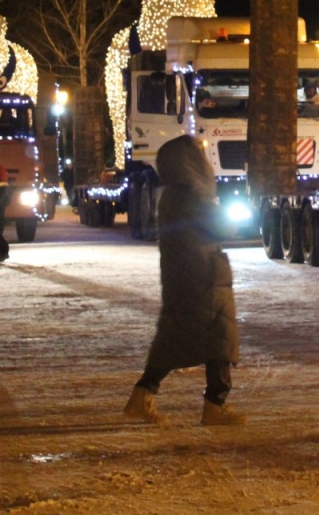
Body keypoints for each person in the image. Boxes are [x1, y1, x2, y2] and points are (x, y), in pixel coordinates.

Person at [123, 136, 244, 427]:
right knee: (219, 341)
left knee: (176, 339)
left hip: (185, 276)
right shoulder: (194, 197)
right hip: (203, 277)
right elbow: (224, 228)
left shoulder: (172, 195)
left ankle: (144, 393)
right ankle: (214, 405)